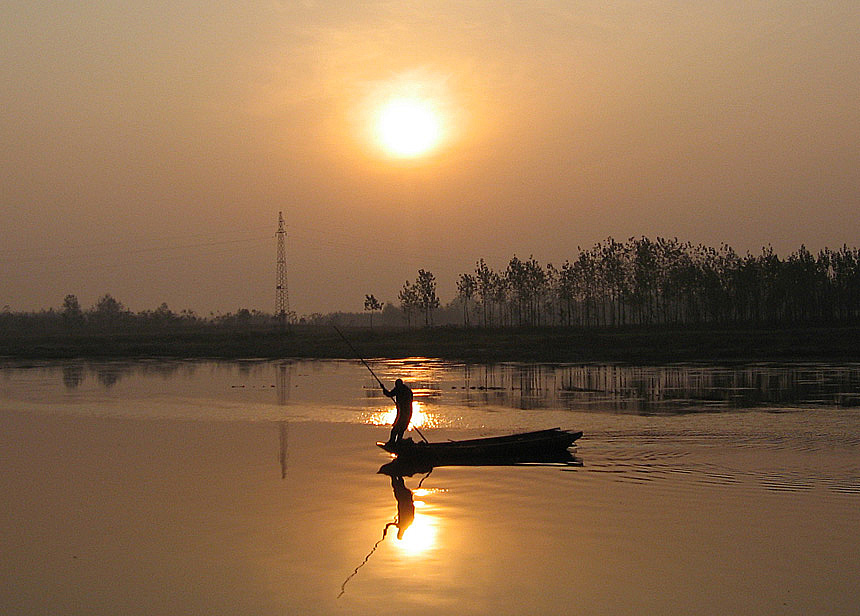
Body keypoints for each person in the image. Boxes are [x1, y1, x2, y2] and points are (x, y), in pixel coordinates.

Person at [381, 378, 413, 445]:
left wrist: (400, 404)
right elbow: (389, 394)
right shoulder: (400, 389)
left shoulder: (404, 390)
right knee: (400, 428)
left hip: (406, 412)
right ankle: (397, 441)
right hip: (403, 411)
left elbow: (408, 400)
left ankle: (394, 442)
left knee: (398, 428)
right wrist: (383, 388)